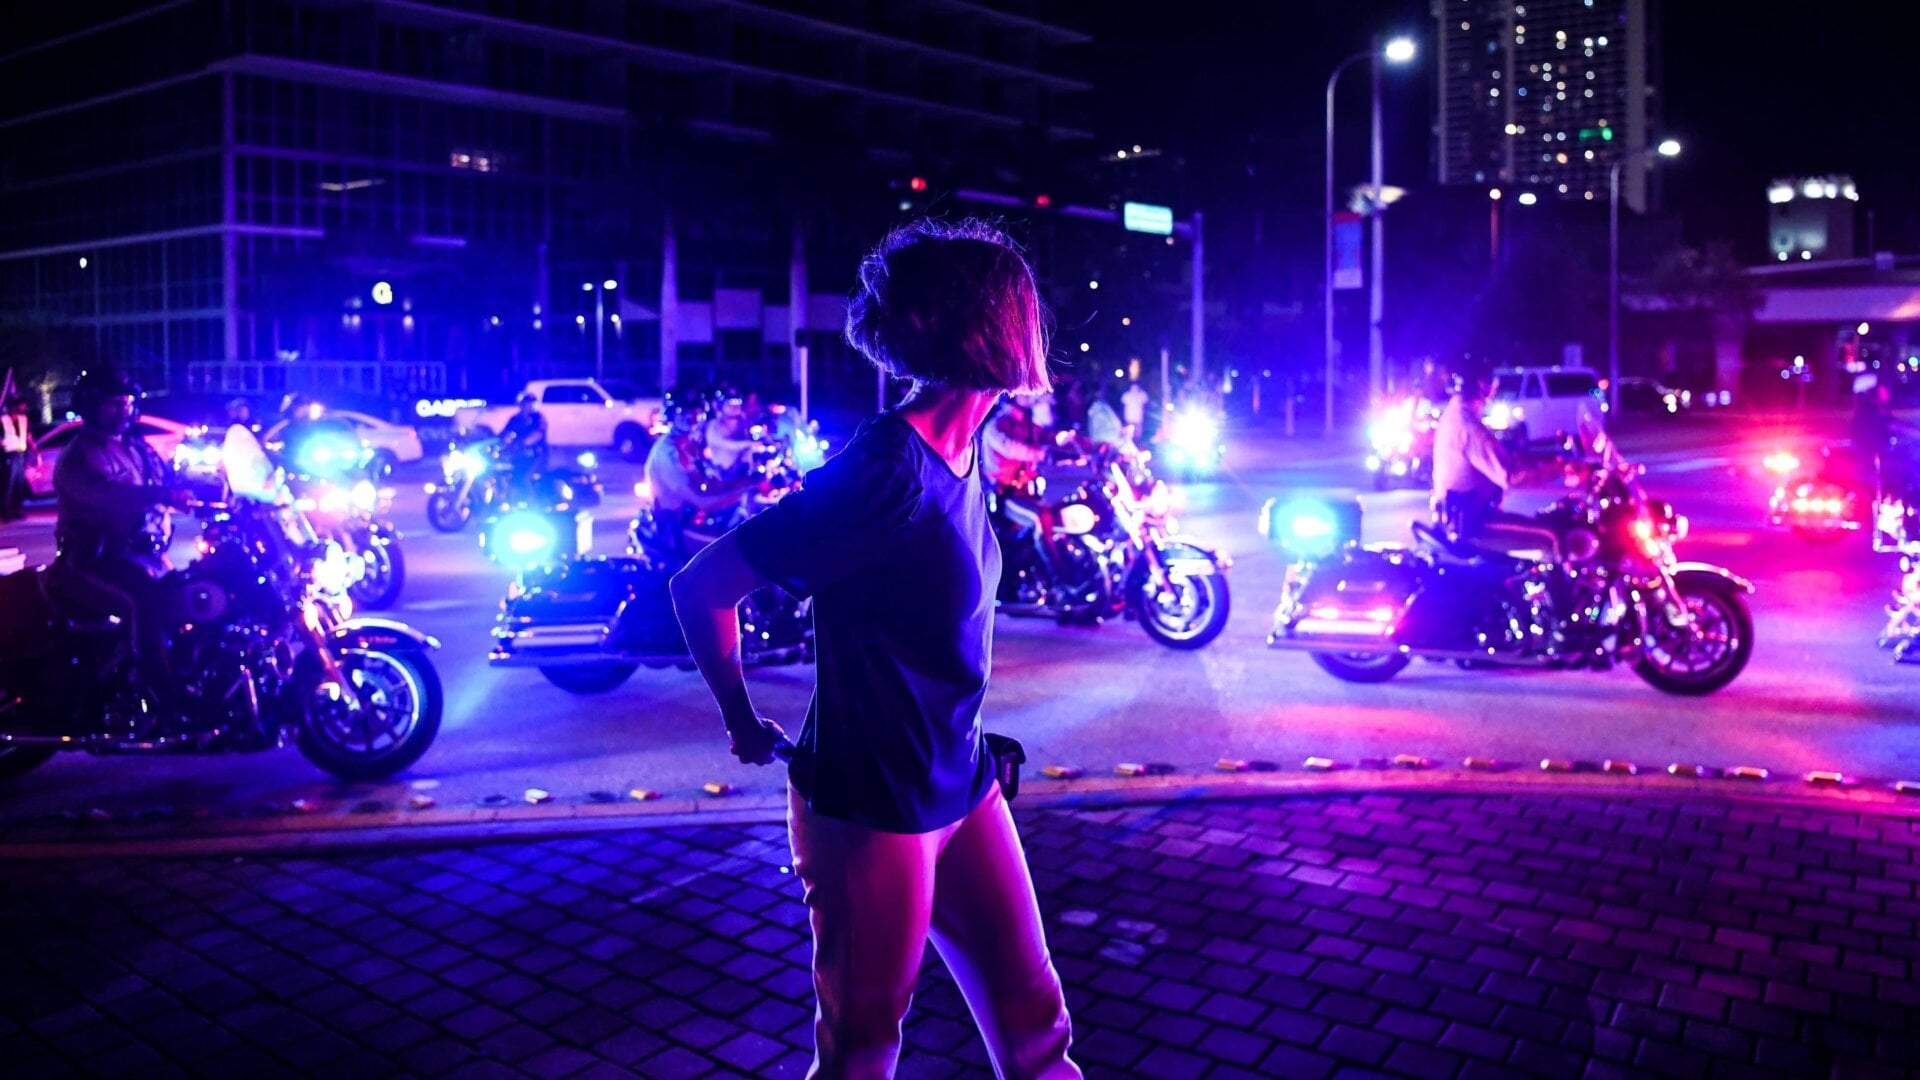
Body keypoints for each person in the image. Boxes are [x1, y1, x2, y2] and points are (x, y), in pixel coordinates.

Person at [671, 219, 1081, 1080]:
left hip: (962, 786)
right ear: (991, 328)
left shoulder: (966, 453)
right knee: (863, 1055)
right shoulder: (886, 469)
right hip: (871, 809)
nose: (1036, 328)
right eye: (1024, 309)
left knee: (1038, 1030)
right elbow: (702, 588)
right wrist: (745, 725)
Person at [53, 369, 191, 703]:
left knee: (186, 594)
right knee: (145, 600)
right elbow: (111, 495)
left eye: (126, 403)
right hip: (93, 559)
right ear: (90, 406)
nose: (122, 411)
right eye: (112, 404)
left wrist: (214, 488)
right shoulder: (80, 455)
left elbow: (166, 480)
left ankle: (191, 673)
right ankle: (161, 692)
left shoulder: (136, 447)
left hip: (142, 554)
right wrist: (160, 496)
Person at [498, 392, 549, 482]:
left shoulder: (538, 418)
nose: (529, 406)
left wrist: (522, 443)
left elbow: (538, 434)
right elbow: (506, 432)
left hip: (536, 454)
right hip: (518, 454)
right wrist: (500, 441)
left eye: (532, 403)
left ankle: (531, 495)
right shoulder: (515, 418)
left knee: (525, 479)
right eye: (526, 403)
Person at [1, 394, 31, 520]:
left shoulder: (23, 419)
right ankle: (6, 513)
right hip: (9, 455)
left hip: (20, 455)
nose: (23, 409)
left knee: (19, 484)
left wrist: (36, 450)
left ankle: (17, 510)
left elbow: (28, 436)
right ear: (13, 407)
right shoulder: (3, 420)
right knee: (8, 484)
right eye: (21, 407)